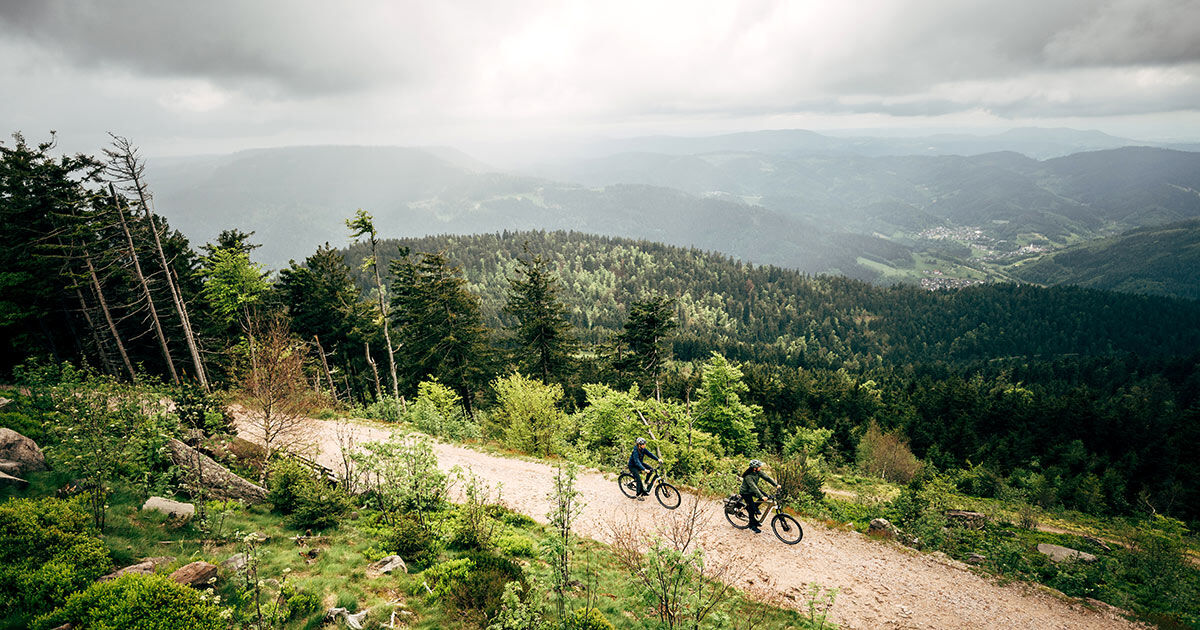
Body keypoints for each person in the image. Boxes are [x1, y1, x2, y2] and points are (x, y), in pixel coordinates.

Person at [739, 459, 779, 533]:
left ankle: (753, 507)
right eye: (759, 466)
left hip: (752, 490)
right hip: (746, 492)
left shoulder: (758, 472)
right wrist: (761, 496)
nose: (760, 467)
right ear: (755, 468)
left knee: (766, 496)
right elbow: (753, 487)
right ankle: (752, 526)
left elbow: (767, 478)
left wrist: (776, 485)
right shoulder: (748, 476)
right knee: (752, 509)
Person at [628, 437, 660, 501]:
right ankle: (638, 495)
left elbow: (650, 454)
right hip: (633, 466)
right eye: (643, 444)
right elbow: (637, 462)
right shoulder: (635, 451)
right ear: (639, 445)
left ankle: (646, 481)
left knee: (651, 470)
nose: (645, 445)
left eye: (645, 444)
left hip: (640, 463)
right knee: (639, 480)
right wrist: (644, 469)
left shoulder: (643, 449)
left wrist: (657, 459)